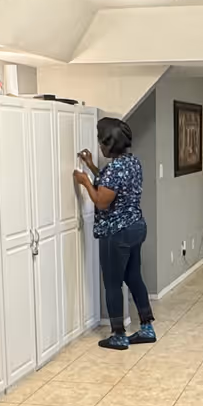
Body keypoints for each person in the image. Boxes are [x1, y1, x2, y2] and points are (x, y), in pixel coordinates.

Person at [74, 117, 156, 349]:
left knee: (112, 283)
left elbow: (101, 201)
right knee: (133, 277)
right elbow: (112, 184)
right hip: (136, 227)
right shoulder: (131, 162)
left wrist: (84, 182)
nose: (100, 147)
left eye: (101, 143)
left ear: (110, 145)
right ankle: (147, 328)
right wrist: (91, 167)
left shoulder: (114, 169)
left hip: (116, 232)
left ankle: (118, 335)